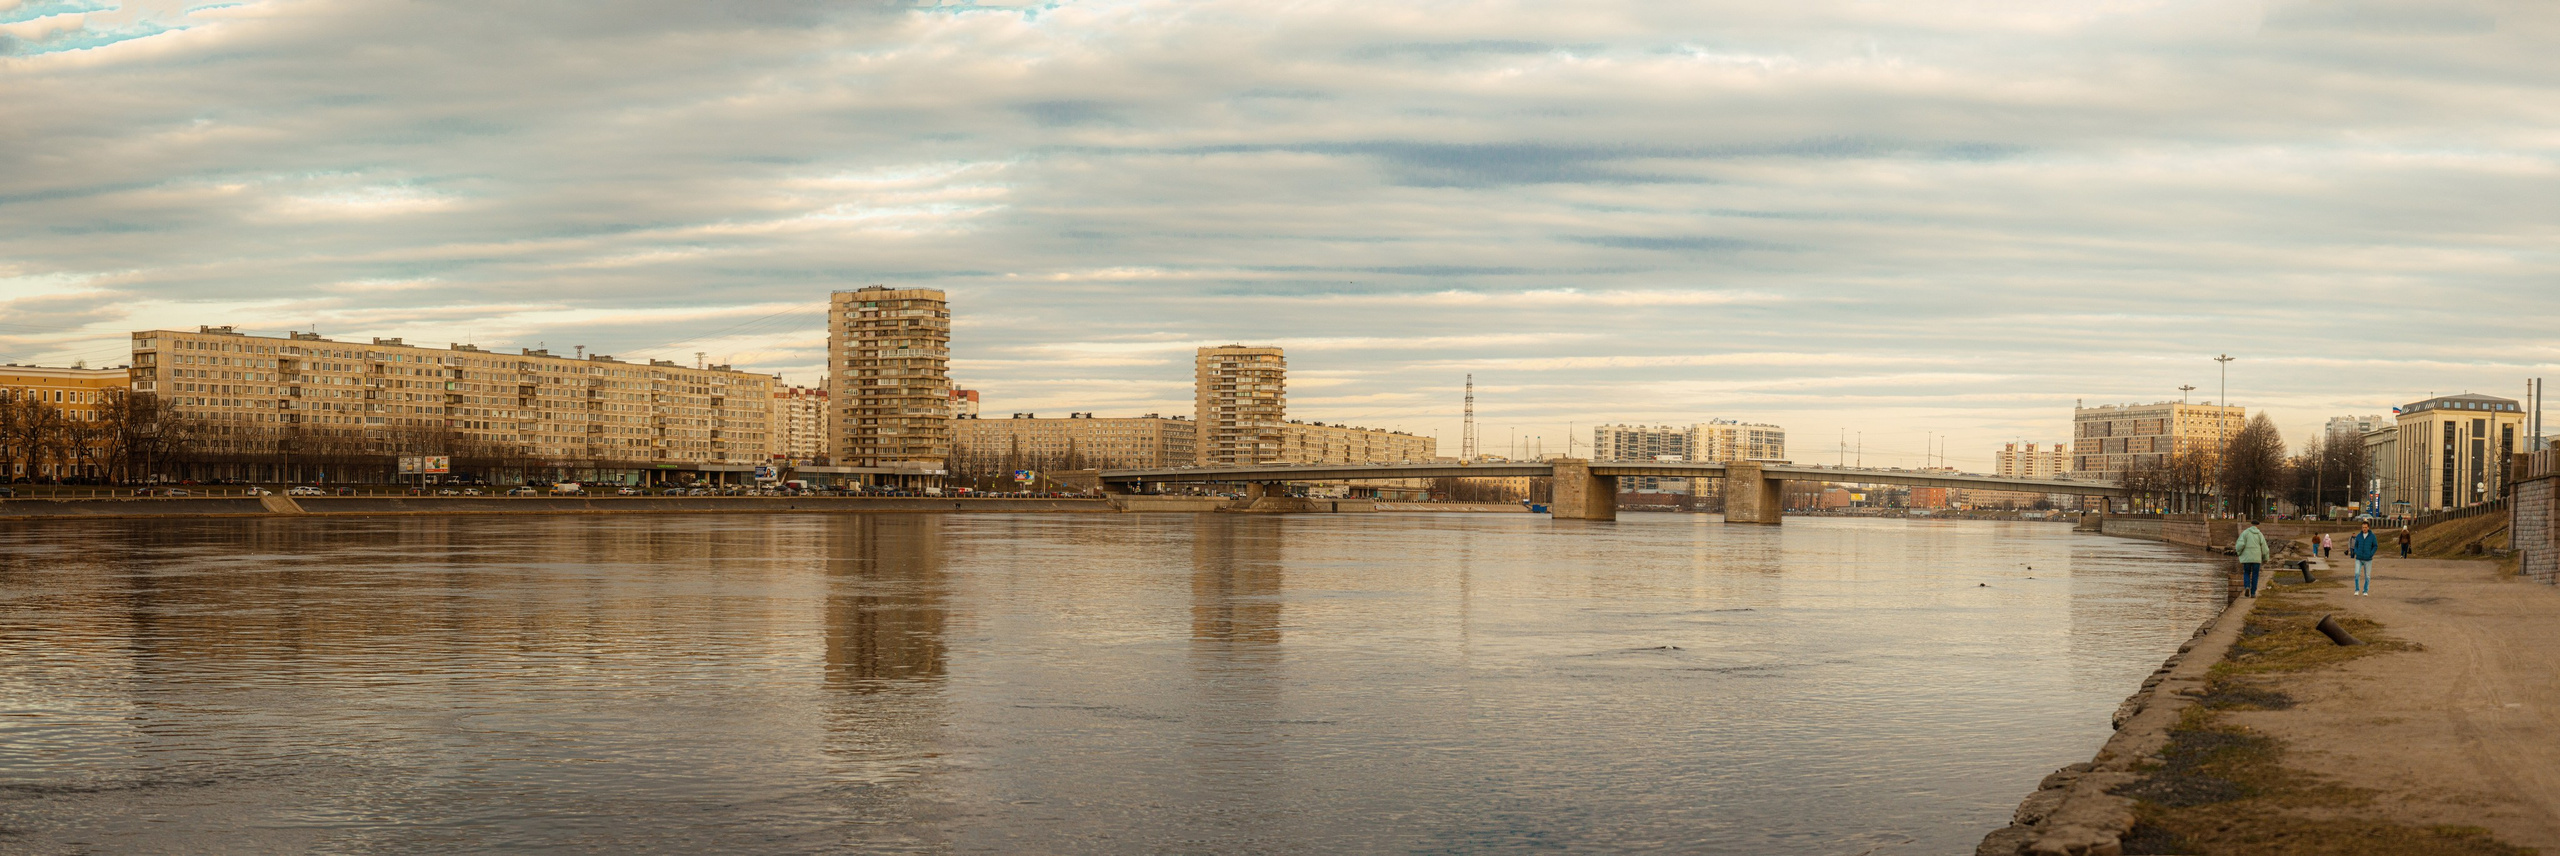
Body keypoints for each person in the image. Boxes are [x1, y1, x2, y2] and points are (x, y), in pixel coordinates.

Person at [2235, 519, 2270, 597]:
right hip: (2256, 558)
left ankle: (2247, 586)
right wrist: (2265, 558)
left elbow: (2240, 544)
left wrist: (2239, 552)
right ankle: (2253, 593)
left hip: (2247, 557)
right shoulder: (2260, 534)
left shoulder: (2245, 533)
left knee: (2246, 573)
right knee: (2255, 574)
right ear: (2258, 525)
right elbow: (2264, 548)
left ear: (2251, 524)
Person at [2349, 522, 2379, 596]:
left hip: (2368, 559)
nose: (2364, 529)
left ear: (2368, 528)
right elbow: (2355, 546)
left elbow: (2375, 546)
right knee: (2357, 574)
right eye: (2363, 527)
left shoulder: (2372, 536)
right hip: (2359, 558)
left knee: (2367, 576)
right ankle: (2357, 590)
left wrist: (2371, 554)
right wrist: (2356, 552)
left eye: (2365, 527)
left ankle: (2365, 590)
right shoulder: (2359, 536)